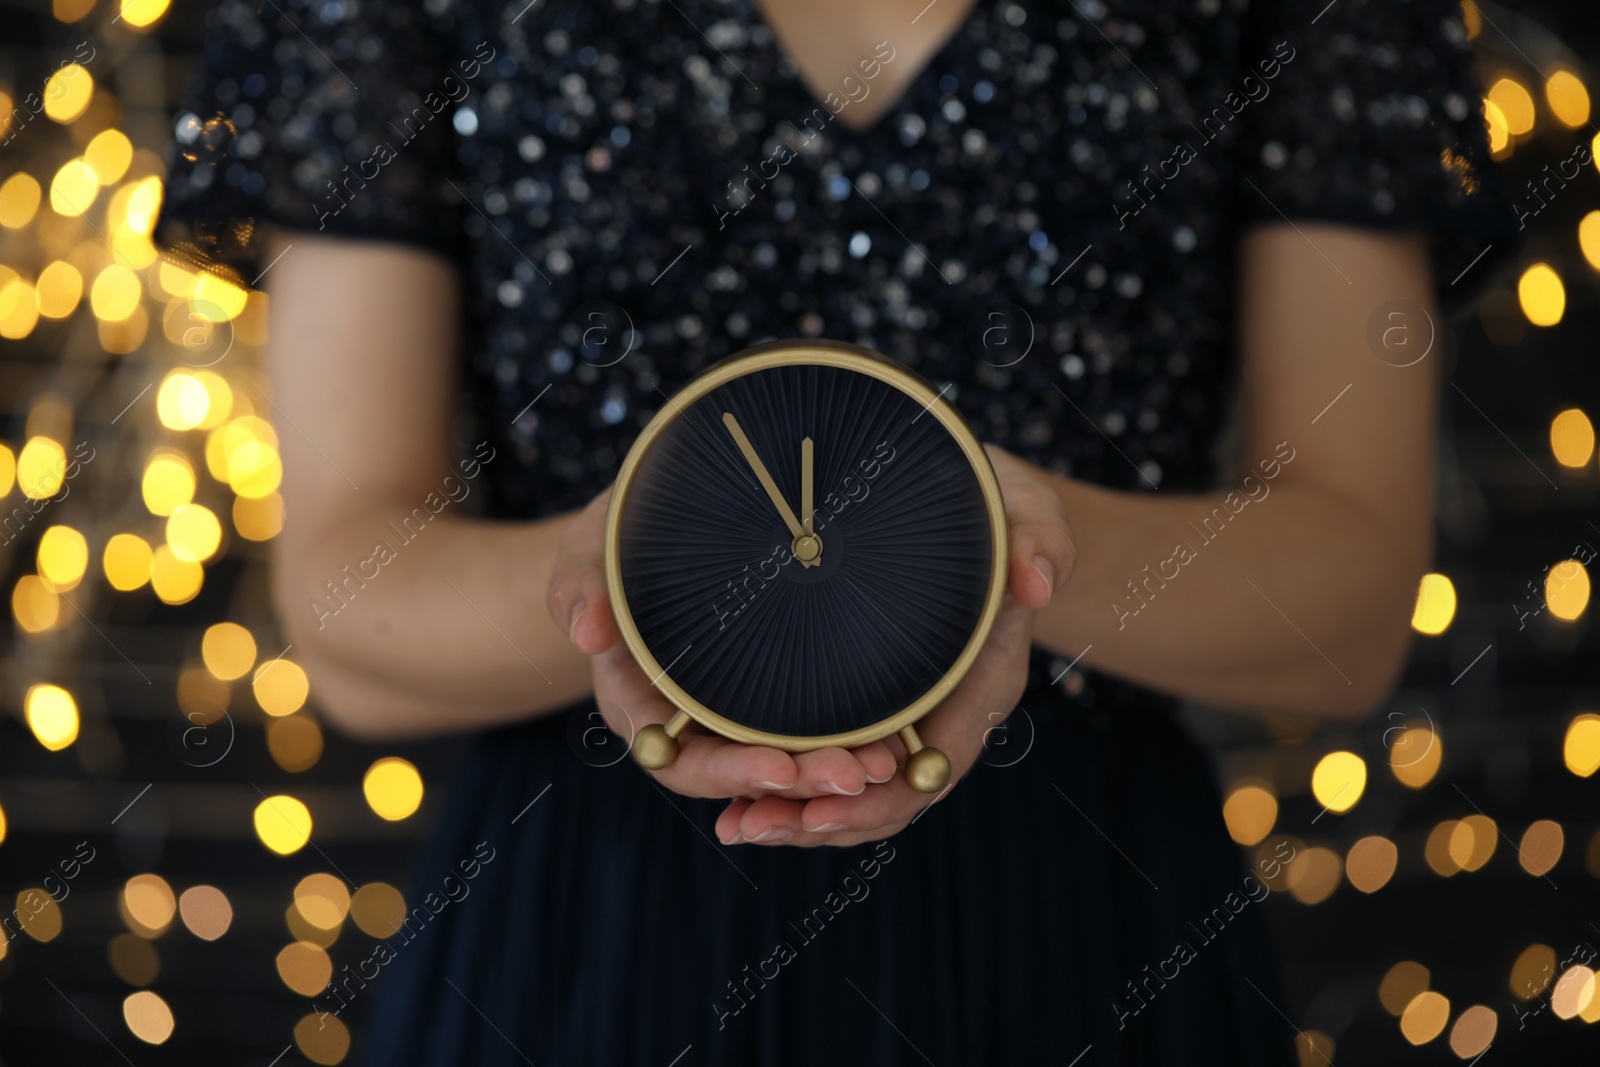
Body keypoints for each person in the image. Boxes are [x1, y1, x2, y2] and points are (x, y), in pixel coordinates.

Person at [156, 0, 1513, 1061]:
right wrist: (607, 577)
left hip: (1076, 931)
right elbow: (348, 606)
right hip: (585, 937)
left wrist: (1021, 555)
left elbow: (1345, 609)